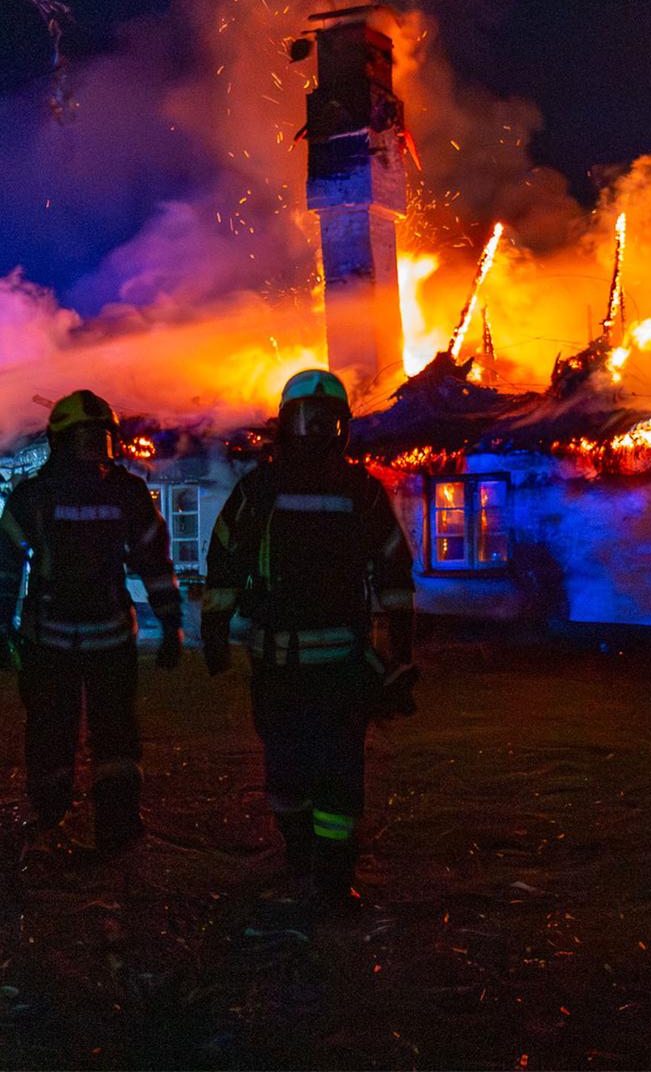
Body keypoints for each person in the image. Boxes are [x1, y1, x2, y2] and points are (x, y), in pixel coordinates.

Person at [199, 368, 417, 910]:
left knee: (339, 775)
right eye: (306, 418)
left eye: (328, 420)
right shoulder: (261, 490)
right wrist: (214, 630)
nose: (316, 429)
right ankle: (301, 859)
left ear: (342, 427)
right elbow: (225, 561)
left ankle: (332, 880)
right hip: (280, 666)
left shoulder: (359, 492)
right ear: (285, 424)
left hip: (341, 667)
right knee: (285, 774)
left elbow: (393, 571)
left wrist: (401, 648)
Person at [0, 390, 184, 852]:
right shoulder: (103, 495)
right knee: (61, 734)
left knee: (107, 739)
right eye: (86, 439)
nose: (96, 449)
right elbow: (4, 563)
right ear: (60, 442)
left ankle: (112, 824)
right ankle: (55, 820)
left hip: (70, 641)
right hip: (79, 641)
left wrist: (171, 623)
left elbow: (155, 562)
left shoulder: (43, 496)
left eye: (103, 439)